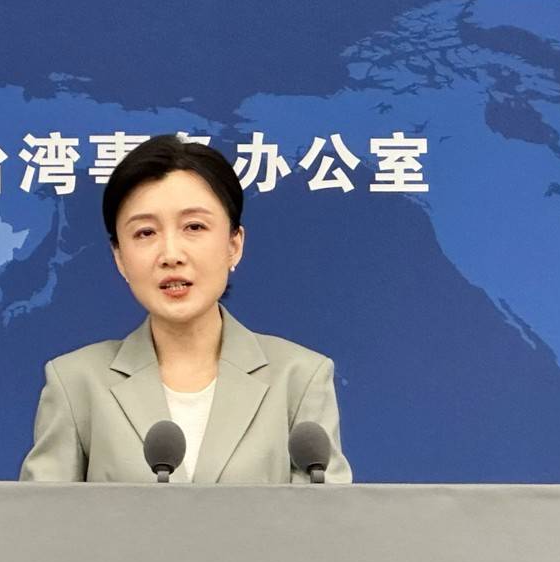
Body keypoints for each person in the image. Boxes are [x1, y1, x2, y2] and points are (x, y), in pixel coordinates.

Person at [19, 134, 352, 483]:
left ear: (234, 245)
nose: (171, 255)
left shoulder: (298, 378)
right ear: (119, 257)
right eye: (145, 233)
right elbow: (39, 515)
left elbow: (328, 515)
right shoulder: (77, 383)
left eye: (194, 227)